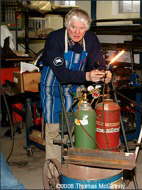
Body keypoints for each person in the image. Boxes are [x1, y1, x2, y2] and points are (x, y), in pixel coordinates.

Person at [39, 8, 111, 162]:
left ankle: (77, 164)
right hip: (53, 87)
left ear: (87, 28)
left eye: (82, 28)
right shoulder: (55, 39)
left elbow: (97, 62)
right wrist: (87, 76)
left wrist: (103, 73)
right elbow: (62, 74)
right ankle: (54, 168)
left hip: (76, 87)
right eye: (73, 27)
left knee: (80, 125)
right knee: (55, 129)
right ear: (67, 25)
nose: (77, 32)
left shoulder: (91, 39)